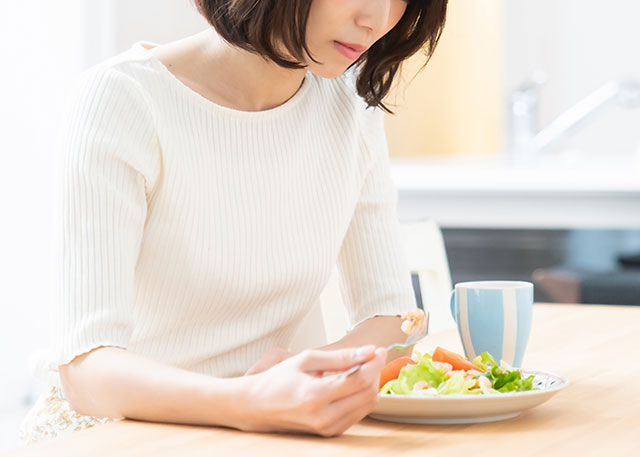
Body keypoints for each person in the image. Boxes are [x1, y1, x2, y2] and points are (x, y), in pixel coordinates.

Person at [20, 0, 447, 443]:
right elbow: (88, 370)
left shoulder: (351, 108)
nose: (377, 18)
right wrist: (249, 399)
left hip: (264, 432)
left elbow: (395, 319)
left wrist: (295, 380)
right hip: (117, 433)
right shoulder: (123, 99)